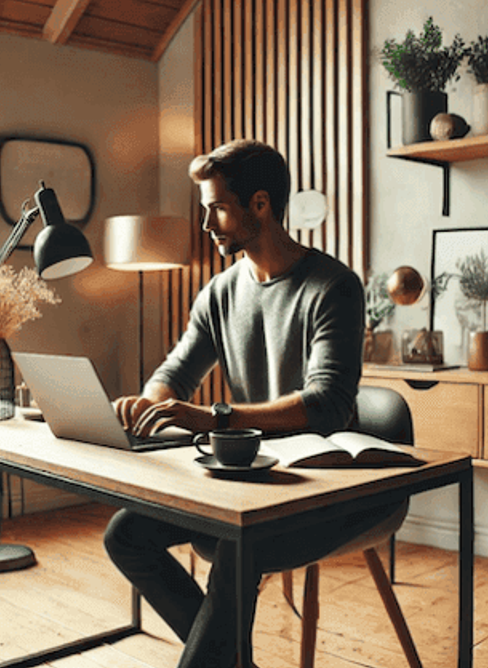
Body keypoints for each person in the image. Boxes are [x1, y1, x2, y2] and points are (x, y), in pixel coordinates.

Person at [104, 139, 401, 667]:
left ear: (259, 205)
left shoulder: (334, 287)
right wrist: (150, 403)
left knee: (238, 548)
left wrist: (212, 416)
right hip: (247, 483)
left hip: (323, 488)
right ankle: (234, 661)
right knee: (126, 534)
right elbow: (174, 374)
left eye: (216, 208)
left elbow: (328, 404)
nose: (206, 226)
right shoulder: (220, 292)